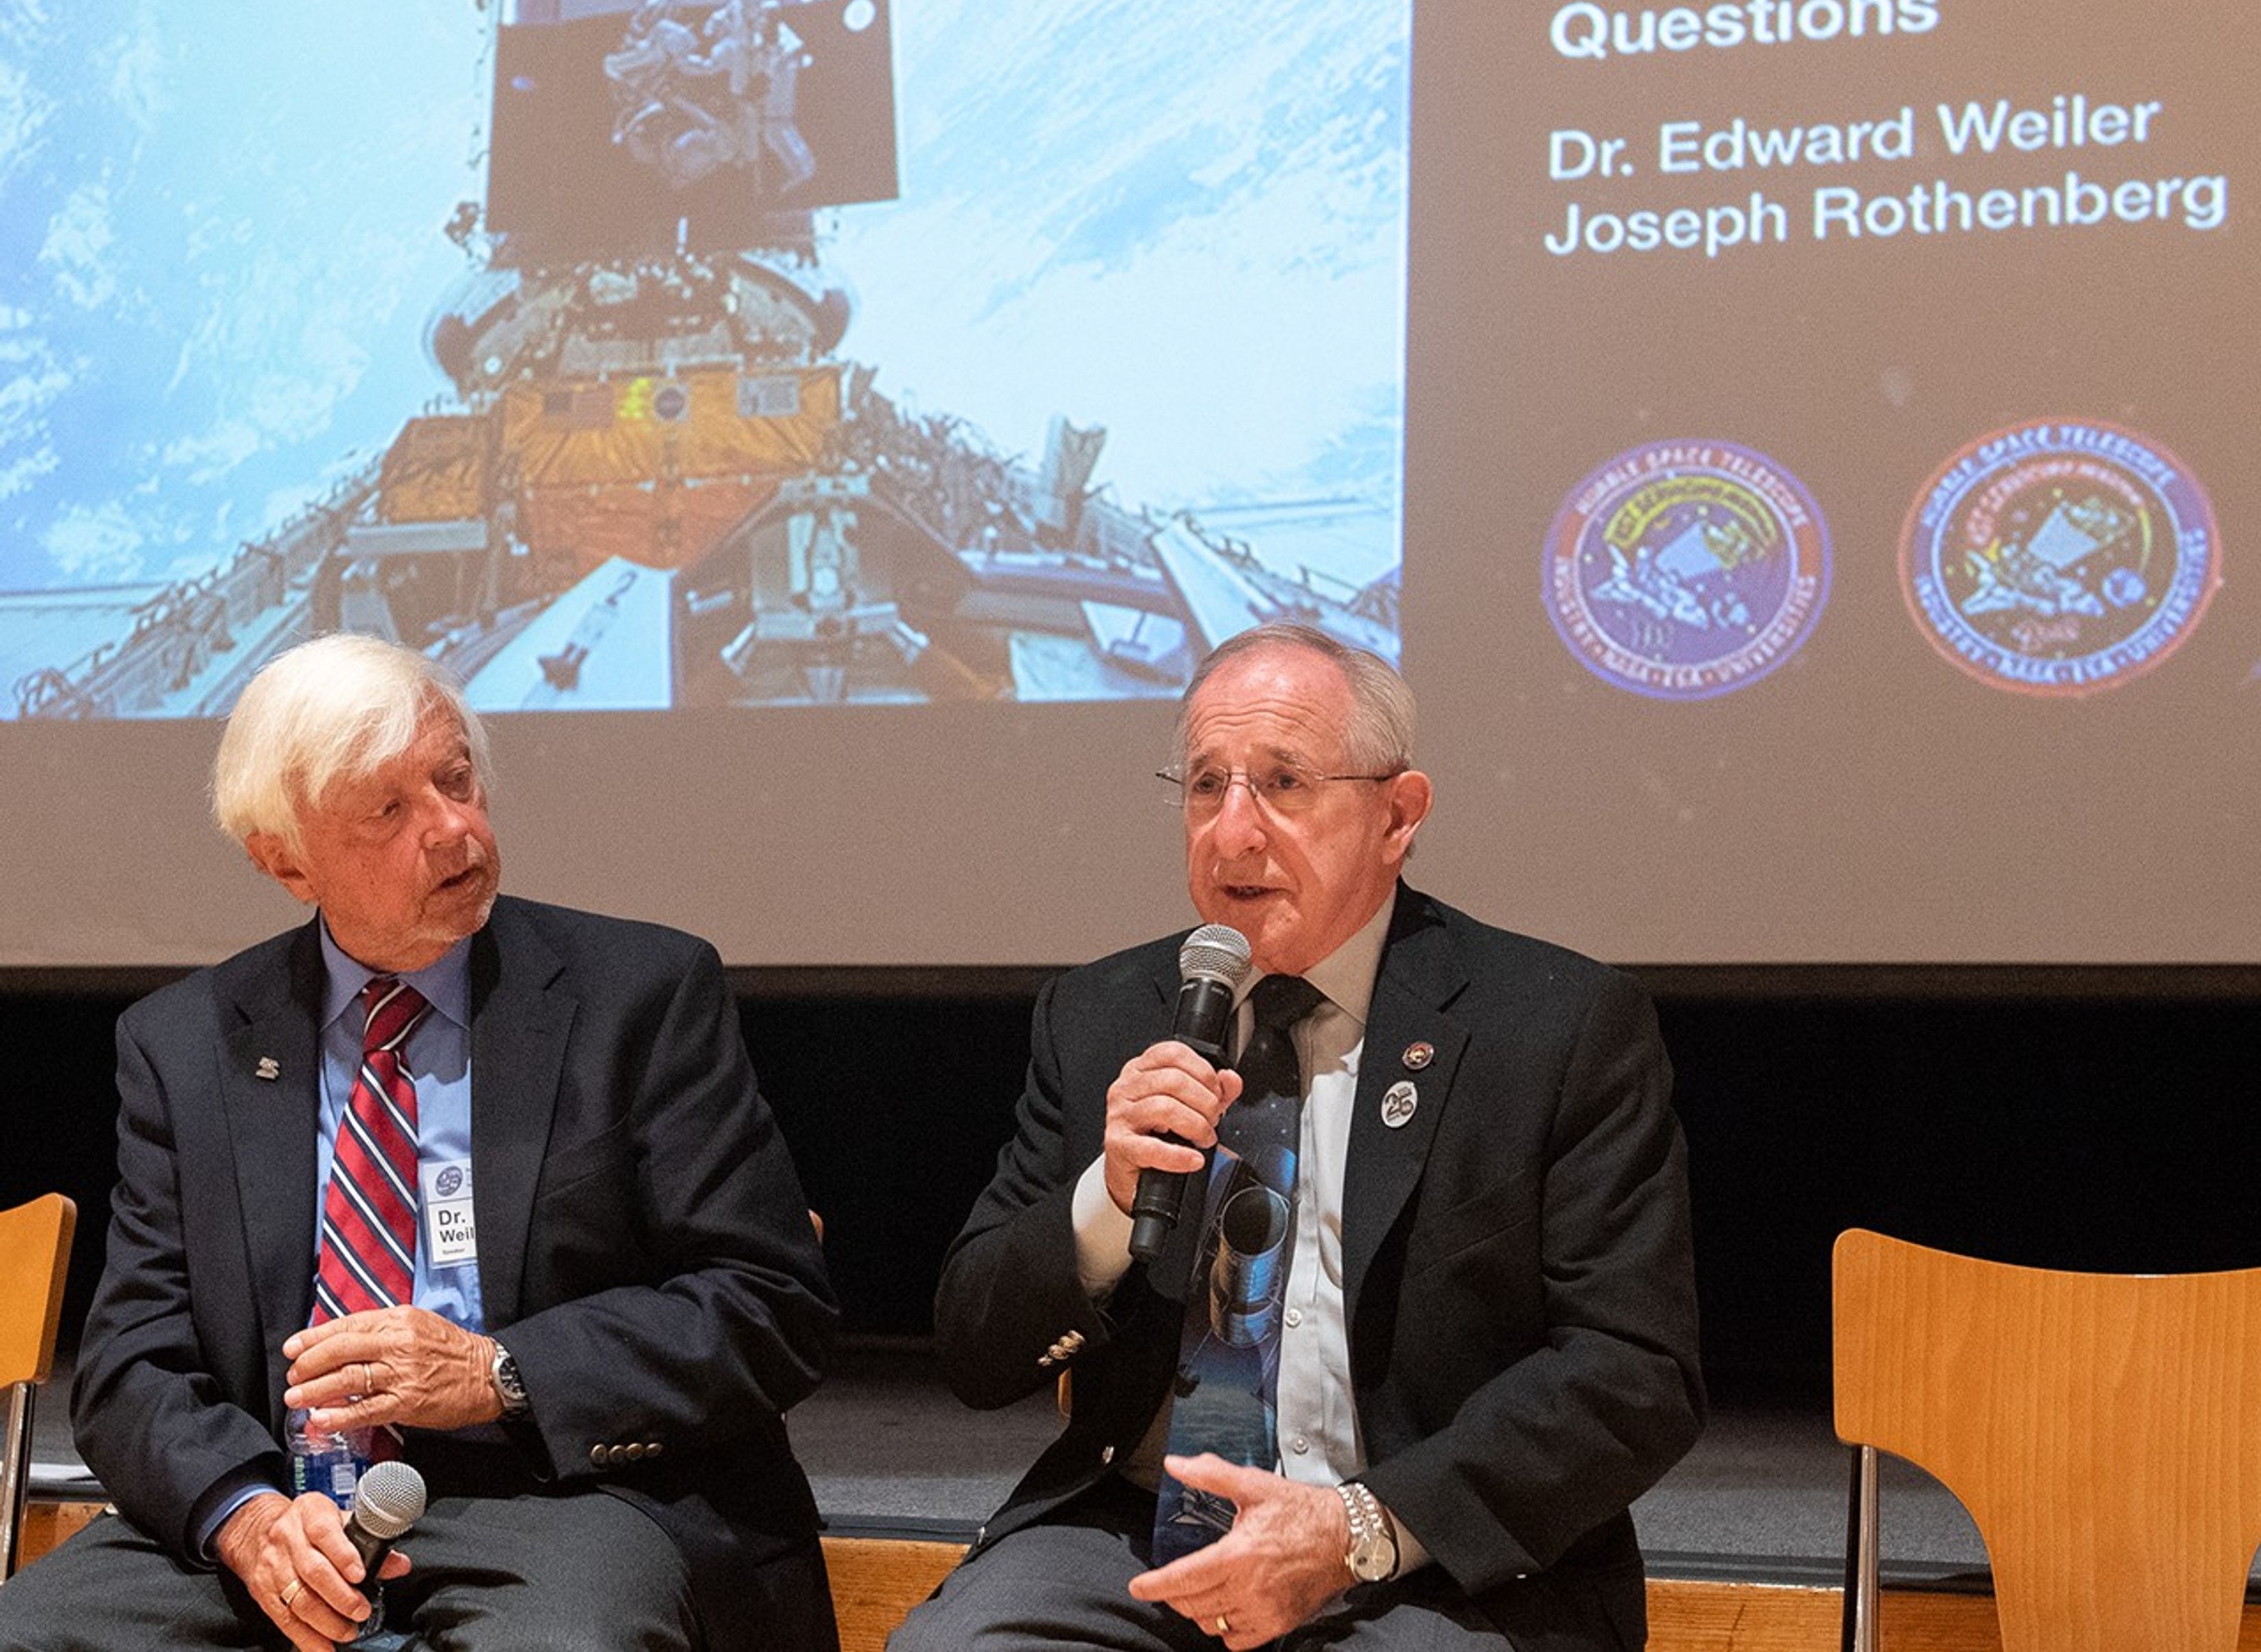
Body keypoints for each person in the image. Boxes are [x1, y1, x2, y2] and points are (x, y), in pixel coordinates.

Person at [0, 633, 839, 1652]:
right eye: (389, 810)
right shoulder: (188, 1044)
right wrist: (250, 1520)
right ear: (286, 859)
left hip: (565, 1499)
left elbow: (770, 1302)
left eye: (455, 778)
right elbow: (133, 1359)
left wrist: (500, 1371)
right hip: (288, 1504)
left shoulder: (640, 996)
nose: (452, 829)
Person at [891, 622, 1703, 1652]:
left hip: (1430, 1560)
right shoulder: (1103, 1014)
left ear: (1397, 815)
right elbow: (974, 1349)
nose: (1233, 832)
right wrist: (1106, 1193)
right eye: (1205, 786)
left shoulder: (1554, 1025)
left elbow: (1634, 1373)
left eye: (1282, 784)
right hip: (1137, 1542)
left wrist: (1355, 1528)